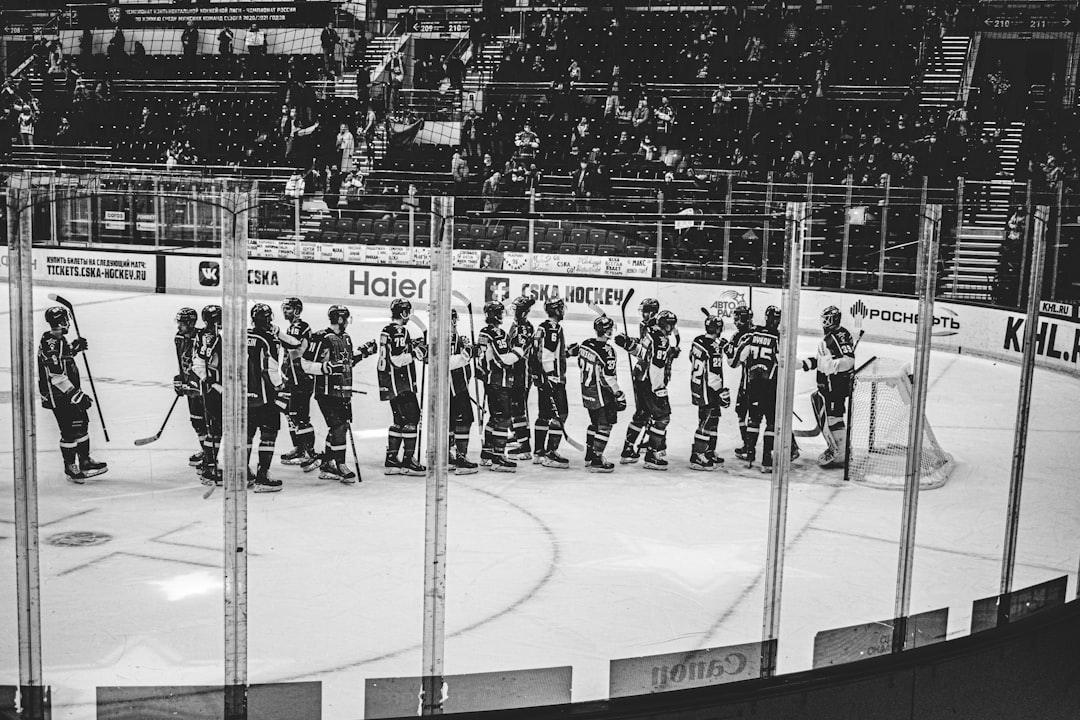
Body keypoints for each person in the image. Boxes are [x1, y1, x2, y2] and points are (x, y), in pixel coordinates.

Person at [300, 305, 378, 482]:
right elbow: (305, 364)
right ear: (341, 319)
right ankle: (340, 464)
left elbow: (347, 363)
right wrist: (325, 368)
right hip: (326, 392)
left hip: (344, 392)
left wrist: (364, 353)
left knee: (337, 428)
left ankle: (328, 464)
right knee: (339, 427)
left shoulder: (346, 338)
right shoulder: (320, 337)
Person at [38, 306, 107, 483]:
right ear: (62, 321)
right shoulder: (51, 343)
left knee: (81, 423)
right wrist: (76, 395)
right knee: (68, 430)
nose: (68, 323)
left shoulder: (59, 339)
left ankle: (84, 461)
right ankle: (70, 466)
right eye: (65, 319)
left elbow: (63, 361)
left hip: (68, 392)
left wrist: (74, 349)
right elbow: (56, 376)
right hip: (58, 395)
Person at [615, 309, 677, 470]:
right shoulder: (662, 341)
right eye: (671, 325)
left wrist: (628, 345)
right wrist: (659, 389)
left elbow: (642, 352)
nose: (672, 328)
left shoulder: (650, 333)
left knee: (642, 415)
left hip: (640, 379)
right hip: (651, 383)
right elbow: (656, 367)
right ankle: (651, 455)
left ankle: (628, 450)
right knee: (663, 418)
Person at [377, 299, 428, 476]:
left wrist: (413, 344)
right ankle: (408, 461)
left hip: (390, 383)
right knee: (412, 419)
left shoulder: (388, 330)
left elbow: (394, 351)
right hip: (400, 382)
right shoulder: (399, 331)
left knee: (399, 420)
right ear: (404, 313)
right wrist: (416, 352)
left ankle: (392, 459)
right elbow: (397, 359)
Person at [801, 305, 856, 468]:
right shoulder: (834, 336)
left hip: (836, 386)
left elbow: (849, 360)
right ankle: (840, 449)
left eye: (827, 319)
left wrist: (833, 365)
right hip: (832, 385)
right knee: (834, 416)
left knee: (833, 417)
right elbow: (824, 361)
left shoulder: (838, 336)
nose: (824, 323)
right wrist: (808, 363)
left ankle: (841, 454)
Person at [732, 306, 782, 472]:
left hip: (753, 384)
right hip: (770, 386)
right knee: (771, 422)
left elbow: (736, 359)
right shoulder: (779, 337)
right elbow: (784, 362)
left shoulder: (754, 334)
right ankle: (766, 460)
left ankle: (750, 454)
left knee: (754, 420)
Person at [478, 301, 525, 471]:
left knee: (495, 417)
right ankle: (498, 457)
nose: (502, 315)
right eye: (500, 312)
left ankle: (487, 452)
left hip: (491, 382)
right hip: (500, 382)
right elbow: (503, 361)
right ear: (496, 315)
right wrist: (520, 350)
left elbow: (481, 360)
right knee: (504, 418)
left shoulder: (484, 332)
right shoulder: (495, 333)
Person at [578, 315, 625, 473]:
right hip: (601, 394)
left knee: (594, 424)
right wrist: (618, 393)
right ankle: (596, 459)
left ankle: (589, 455)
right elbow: (607, 377)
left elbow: (580, 363)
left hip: (587, 392)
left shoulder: (585, 344)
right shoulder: (607, 350)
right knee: (604, 426)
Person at [247, 304, 284, 492]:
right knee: (269, 434)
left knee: (247, 434)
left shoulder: (243, 335)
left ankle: (242, 474)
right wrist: (280, 386)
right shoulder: (269, 338)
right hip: (265, 396)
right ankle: (262, 477)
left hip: (244, 395)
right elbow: (270, 368)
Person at [532, 297, 572, 468]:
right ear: (556, 310)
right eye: (561, 308)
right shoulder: (554, 328)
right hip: (552, 379)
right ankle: (550, 454)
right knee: (560, 414)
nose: (563, 311)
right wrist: (551, 377)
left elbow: (543, 352)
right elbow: (547, 354)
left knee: (544, 415)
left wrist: (567, 352)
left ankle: (538, 452)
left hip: (541, 378)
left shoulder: (542, 327)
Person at [619, 297, 660, 462]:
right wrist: (630, 342)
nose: (643, 314)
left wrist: (629, 345)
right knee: (647, 412)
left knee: (652, 413)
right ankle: (636, 446)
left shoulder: (657, 329)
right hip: (644, 375)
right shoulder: (646, 325)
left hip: (651, 376)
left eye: (645, 311)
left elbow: (647, 352)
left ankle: (652, 443)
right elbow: (643, 348)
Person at [689, 312, 731, 471]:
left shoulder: (697, 341)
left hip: (698, 385)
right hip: (709, 389)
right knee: (707, 421)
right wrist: (720, 391)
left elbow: (691, 358)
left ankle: (709, 451)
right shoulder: (714, 347)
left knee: (712, 419)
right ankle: (697, 455)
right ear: (718, 329)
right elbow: (713, 374)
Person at [278, 297, 316, 467]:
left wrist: (275, 333)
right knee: (290, 414)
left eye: (288, 308)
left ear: (297, 310)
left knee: (301, 417)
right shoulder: (292, 327)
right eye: (284, 308)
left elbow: (293, 346)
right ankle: (299, 447)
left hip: (301, 378)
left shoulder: (300, 326)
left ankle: (309, 451)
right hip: (291, 378)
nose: (285, 311)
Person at [192, 305, 223, 485]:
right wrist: (213, 382)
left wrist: (207, 380)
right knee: (217, 428)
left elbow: (198, 362)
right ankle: (209, 467)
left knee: (215, 429)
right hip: (215, 390)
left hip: (212, 389)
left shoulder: (203, 335)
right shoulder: (216, 337)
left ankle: (208, 464)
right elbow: (201, 362)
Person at [173, 307, 207, 471]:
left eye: (182, 323)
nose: (179, 326)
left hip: (203, 387)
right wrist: (179, 378)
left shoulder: (202, 338)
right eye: (178, 322)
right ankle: (205, 450)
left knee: (209, 421)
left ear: (191, 323)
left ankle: (211, 453)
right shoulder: (178, 338)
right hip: (190, 386)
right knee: (196, 421)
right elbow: (181, 360)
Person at [448, 309, 479, 474]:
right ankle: (461, 458)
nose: (455, 323)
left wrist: (469, 348)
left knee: (450, 422)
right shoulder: (449, 336)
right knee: (464, 419)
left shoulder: (449, 335)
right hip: (455, 387)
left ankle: (446, 456)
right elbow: (447, 361)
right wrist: (466, 354)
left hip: (450, 386)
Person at [507, 295, 536, 459]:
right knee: (513, 406)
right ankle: (519, 435)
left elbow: (517, 353)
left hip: (521, 373)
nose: (514, 311)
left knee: (518, 408)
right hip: (515, 372)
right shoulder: (518, 325)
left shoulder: (522, 329)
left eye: (517, 309)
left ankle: (524, 447)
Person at [726, 304, 755, 453]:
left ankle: (748, 447)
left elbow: (733, 363)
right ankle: (791, 447)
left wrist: (728, 350)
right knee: (772, 415)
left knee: (742, 412)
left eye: (738, 319)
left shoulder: (738, 337)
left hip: (748, 383)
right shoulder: (760, 332)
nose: (735, 322)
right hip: (768, 381)